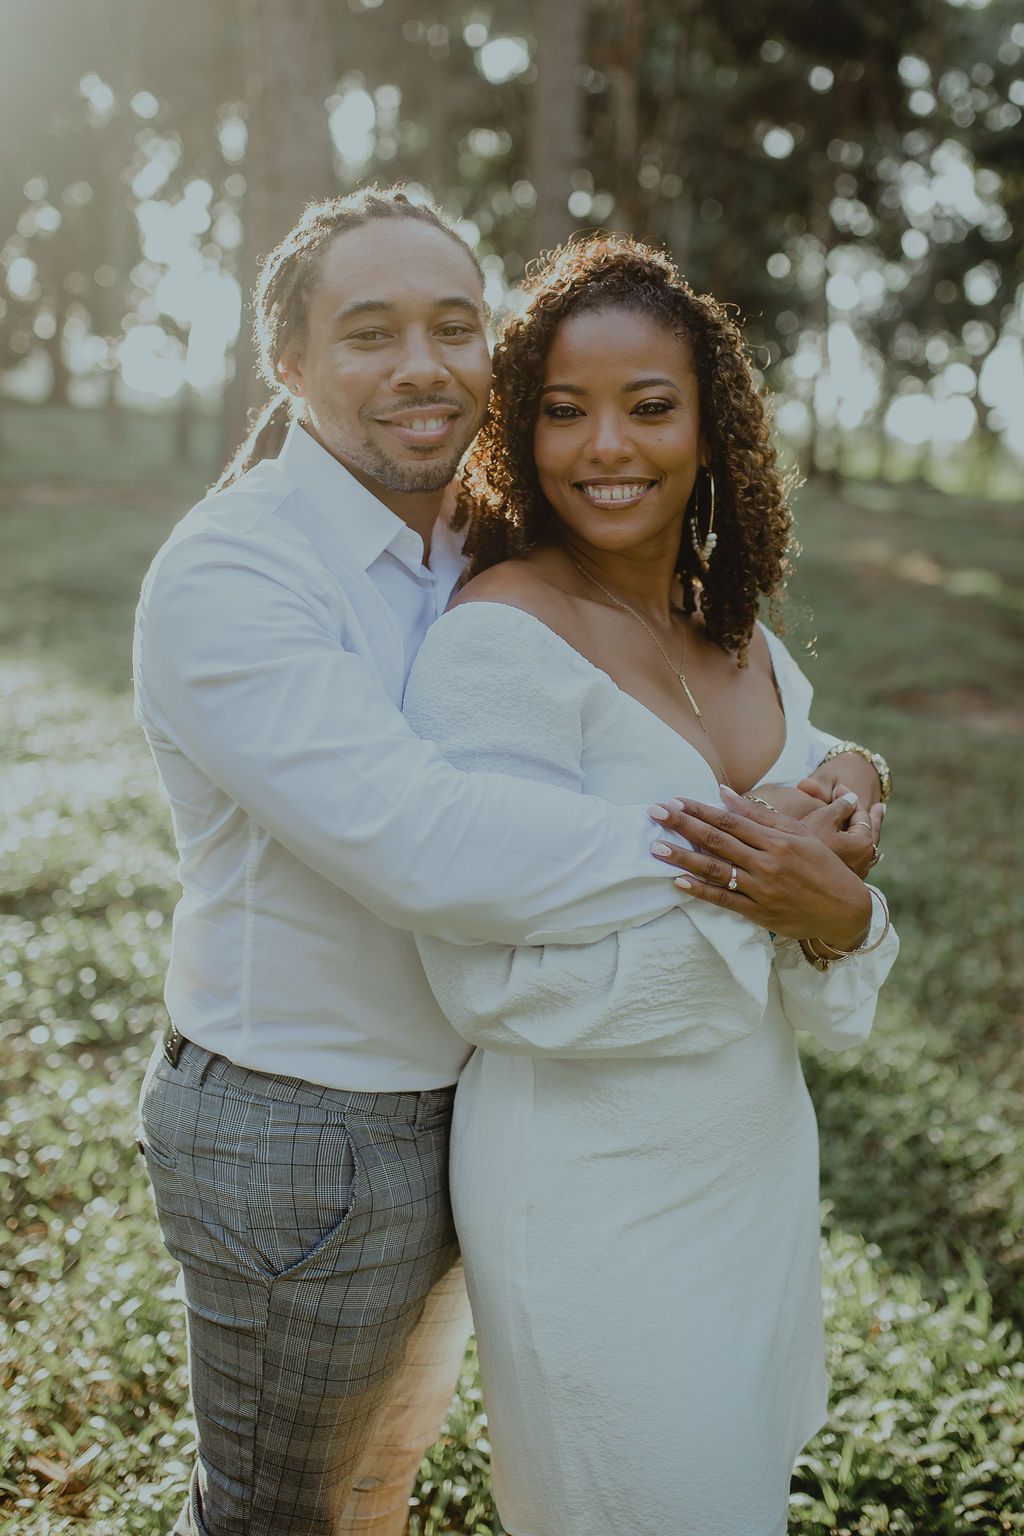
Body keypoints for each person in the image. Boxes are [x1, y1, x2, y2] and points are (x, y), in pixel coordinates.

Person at [134, 188, 886, 1536]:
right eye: (370, 332)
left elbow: (709, 710)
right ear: (289, 366)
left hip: (464, 1105)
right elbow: (426, 848)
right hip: (309, 1116)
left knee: (379, 1488)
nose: (422, 365)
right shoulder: (239, 572)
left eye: (454, 326)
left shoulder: (464, 541)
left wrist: (839, 781)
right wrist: (746, 854)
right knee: (274, 1516)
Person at [403, 233, 899, 1536]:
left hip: (748, 1166)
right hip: (589, 1190)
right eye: (563, 410)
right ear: (518, 430)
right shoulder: (497, 646)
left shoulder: (738, 632)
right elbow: (490, 978)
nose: (605, 446)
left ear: (711, 427)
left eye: (649, 406)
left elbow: (825, 857)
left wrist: (840, 908)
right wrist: (777, 900)